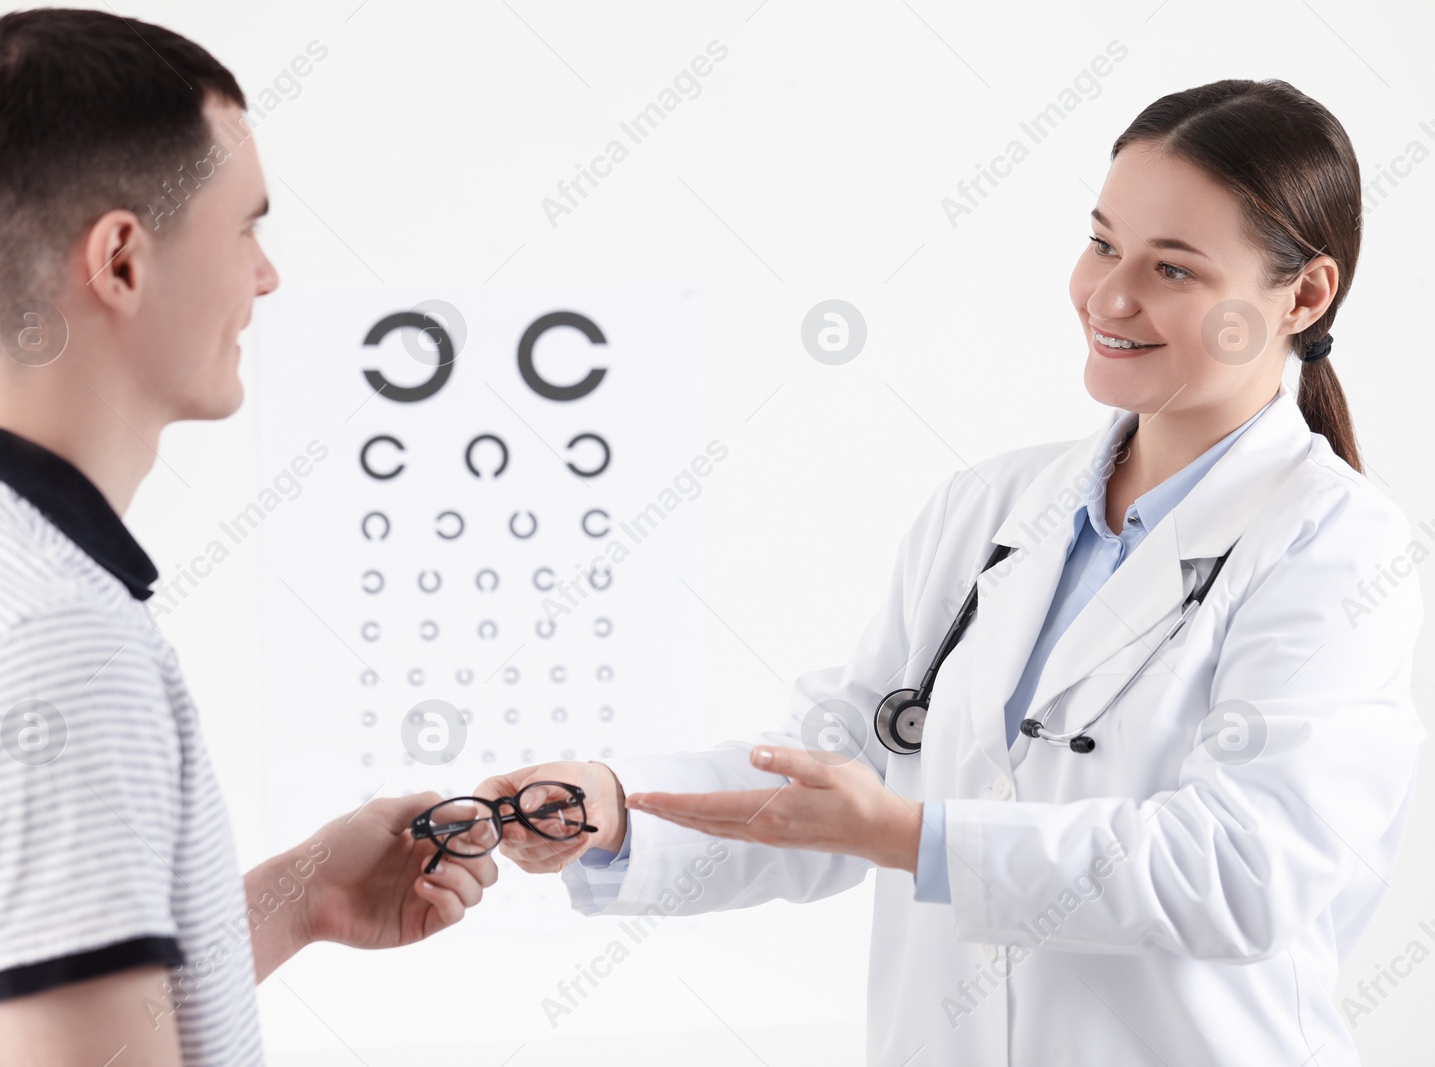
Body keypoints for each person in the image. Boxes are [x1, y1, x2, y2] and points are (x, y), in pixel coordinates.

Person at [477, 79, 1424, 1066]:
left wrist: (912, 837)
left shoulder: (1332, 543)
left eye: (1172, 269)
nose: (1107, 296)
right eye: (1101, 244)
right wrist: (618, 802)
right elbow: (844, 752)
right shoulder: (992, 509)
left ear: (1305, 295)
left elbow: (1243, 872)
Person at [0, 10, 494, 1066]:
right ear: (123, 261)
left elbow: (12, 980)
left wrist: (304, 892)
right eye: (246, 229)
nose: (266, 278)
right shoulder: (56, 645)